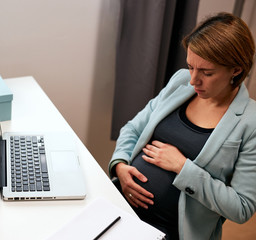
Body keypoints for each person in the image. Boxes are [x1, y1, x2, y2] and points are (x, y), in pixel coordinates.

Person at [108, 12, 256, 240]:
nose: (193, 80)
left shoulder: (250, 122)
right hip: (121, 204)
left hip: (171, 231)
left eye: (207, 73)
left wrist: (182, 167)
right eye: (191, 66)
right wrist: (120, 165)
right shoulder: (180, 81)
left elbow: (242, 207)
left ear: (235, 70)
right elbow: (133, 128)